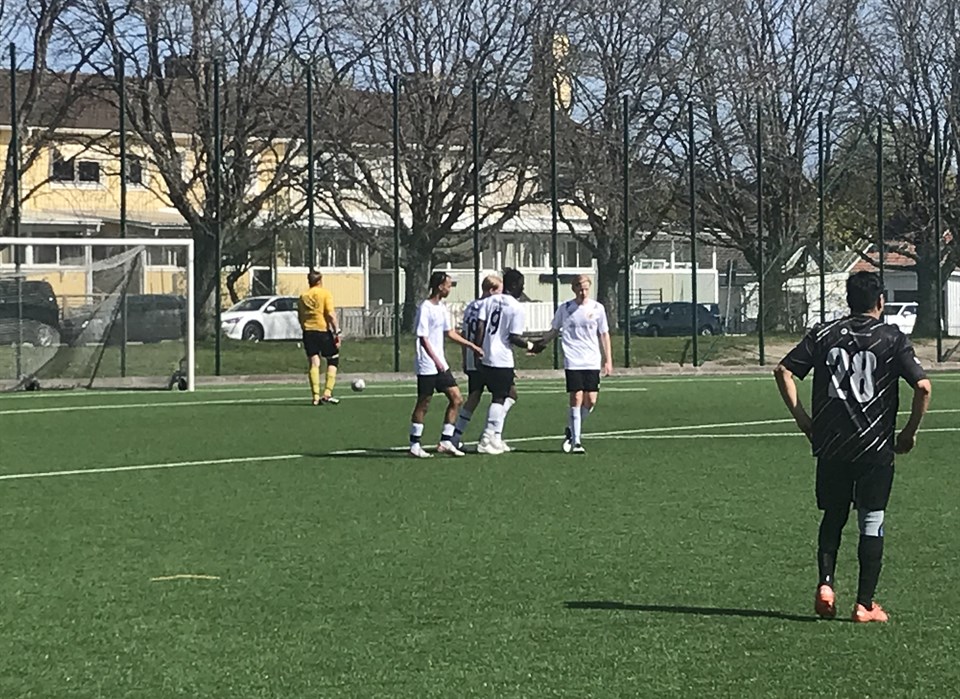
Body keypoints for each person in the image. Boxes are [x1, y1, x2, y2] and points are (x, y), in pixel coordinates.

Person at [774, 271, 932, 623]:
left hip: (832, 446)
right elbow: (923, 387)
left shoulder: (824, 333)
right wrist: (908, 433)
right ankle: (864, 604)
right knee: (871, 521)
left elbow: (783, 371)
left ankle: (826, 585)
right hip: (874, 449)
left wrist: (804, 421)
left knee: (833, 515)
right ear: (881, 302)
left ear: (848, 301)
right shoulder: (892, 339)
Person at [530, 275, 613, 453]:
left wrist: (608, 360)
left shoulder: (597, 308)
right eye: (580, 289)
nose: (583, 292)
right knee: (576, 397)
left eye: (586, 289)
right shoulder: (565, 308)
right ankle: (576, 442)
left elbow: (604, 334)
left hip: (592, 360)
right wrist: (539, 345)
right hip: (573, 359)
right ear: (574, 289)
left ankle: (570, 429)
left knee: (591, 400)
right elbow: (554, 330)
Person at [409, 271, 484, 459]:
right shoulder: (425, 308)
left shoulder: (442, 308)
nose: (450, 289)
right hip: (427, 364)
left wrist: (471, 346)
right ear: (440, 286)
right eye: (448, 285)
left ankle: (445, 441)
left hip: (440, 364)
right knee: (424, 402)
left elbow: (449, 333)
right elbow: (423, 338)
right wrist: (435, 360)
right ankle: (414, 444)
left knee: (456, 398)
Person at [474, 268, 530, 455]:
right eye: (521, 285)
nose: (522, 289)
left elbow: (480, 327)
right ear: (513, 285)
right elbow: (514, 337)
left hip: (487, 355)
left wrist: (478, 350)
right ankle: (486, 438)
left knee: (511, 394)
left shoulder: (488, 301)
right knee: (499, 397)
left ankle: (496, 438)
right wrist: (531, 345)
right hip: (502, 358)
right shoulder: (516, 307)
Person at [451, 274, 502, 449]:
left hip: (472, 358)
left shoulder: (471, 306)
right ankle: (492, 435)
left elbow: (465, 334)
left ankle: (456, 435)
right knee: (505, 394)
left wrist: (465, 357)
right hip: (486, 358)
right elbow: (486, 331)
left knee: (474, 396)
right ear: (491, 290)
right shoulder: (488, 306)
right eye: (499, 291)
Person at [298, 269, 341, 405]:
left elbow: (300, 316)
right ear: (320, 281)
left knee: (314, 362)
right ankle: (327, 393)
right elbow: (330, 314)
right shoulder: (325, 293)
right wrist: (337, 331)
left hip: (308, 332)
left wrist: (305, 328)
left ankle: (315, 397)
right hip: (322, 330)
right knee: (333, 359)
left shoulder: (303, 296)